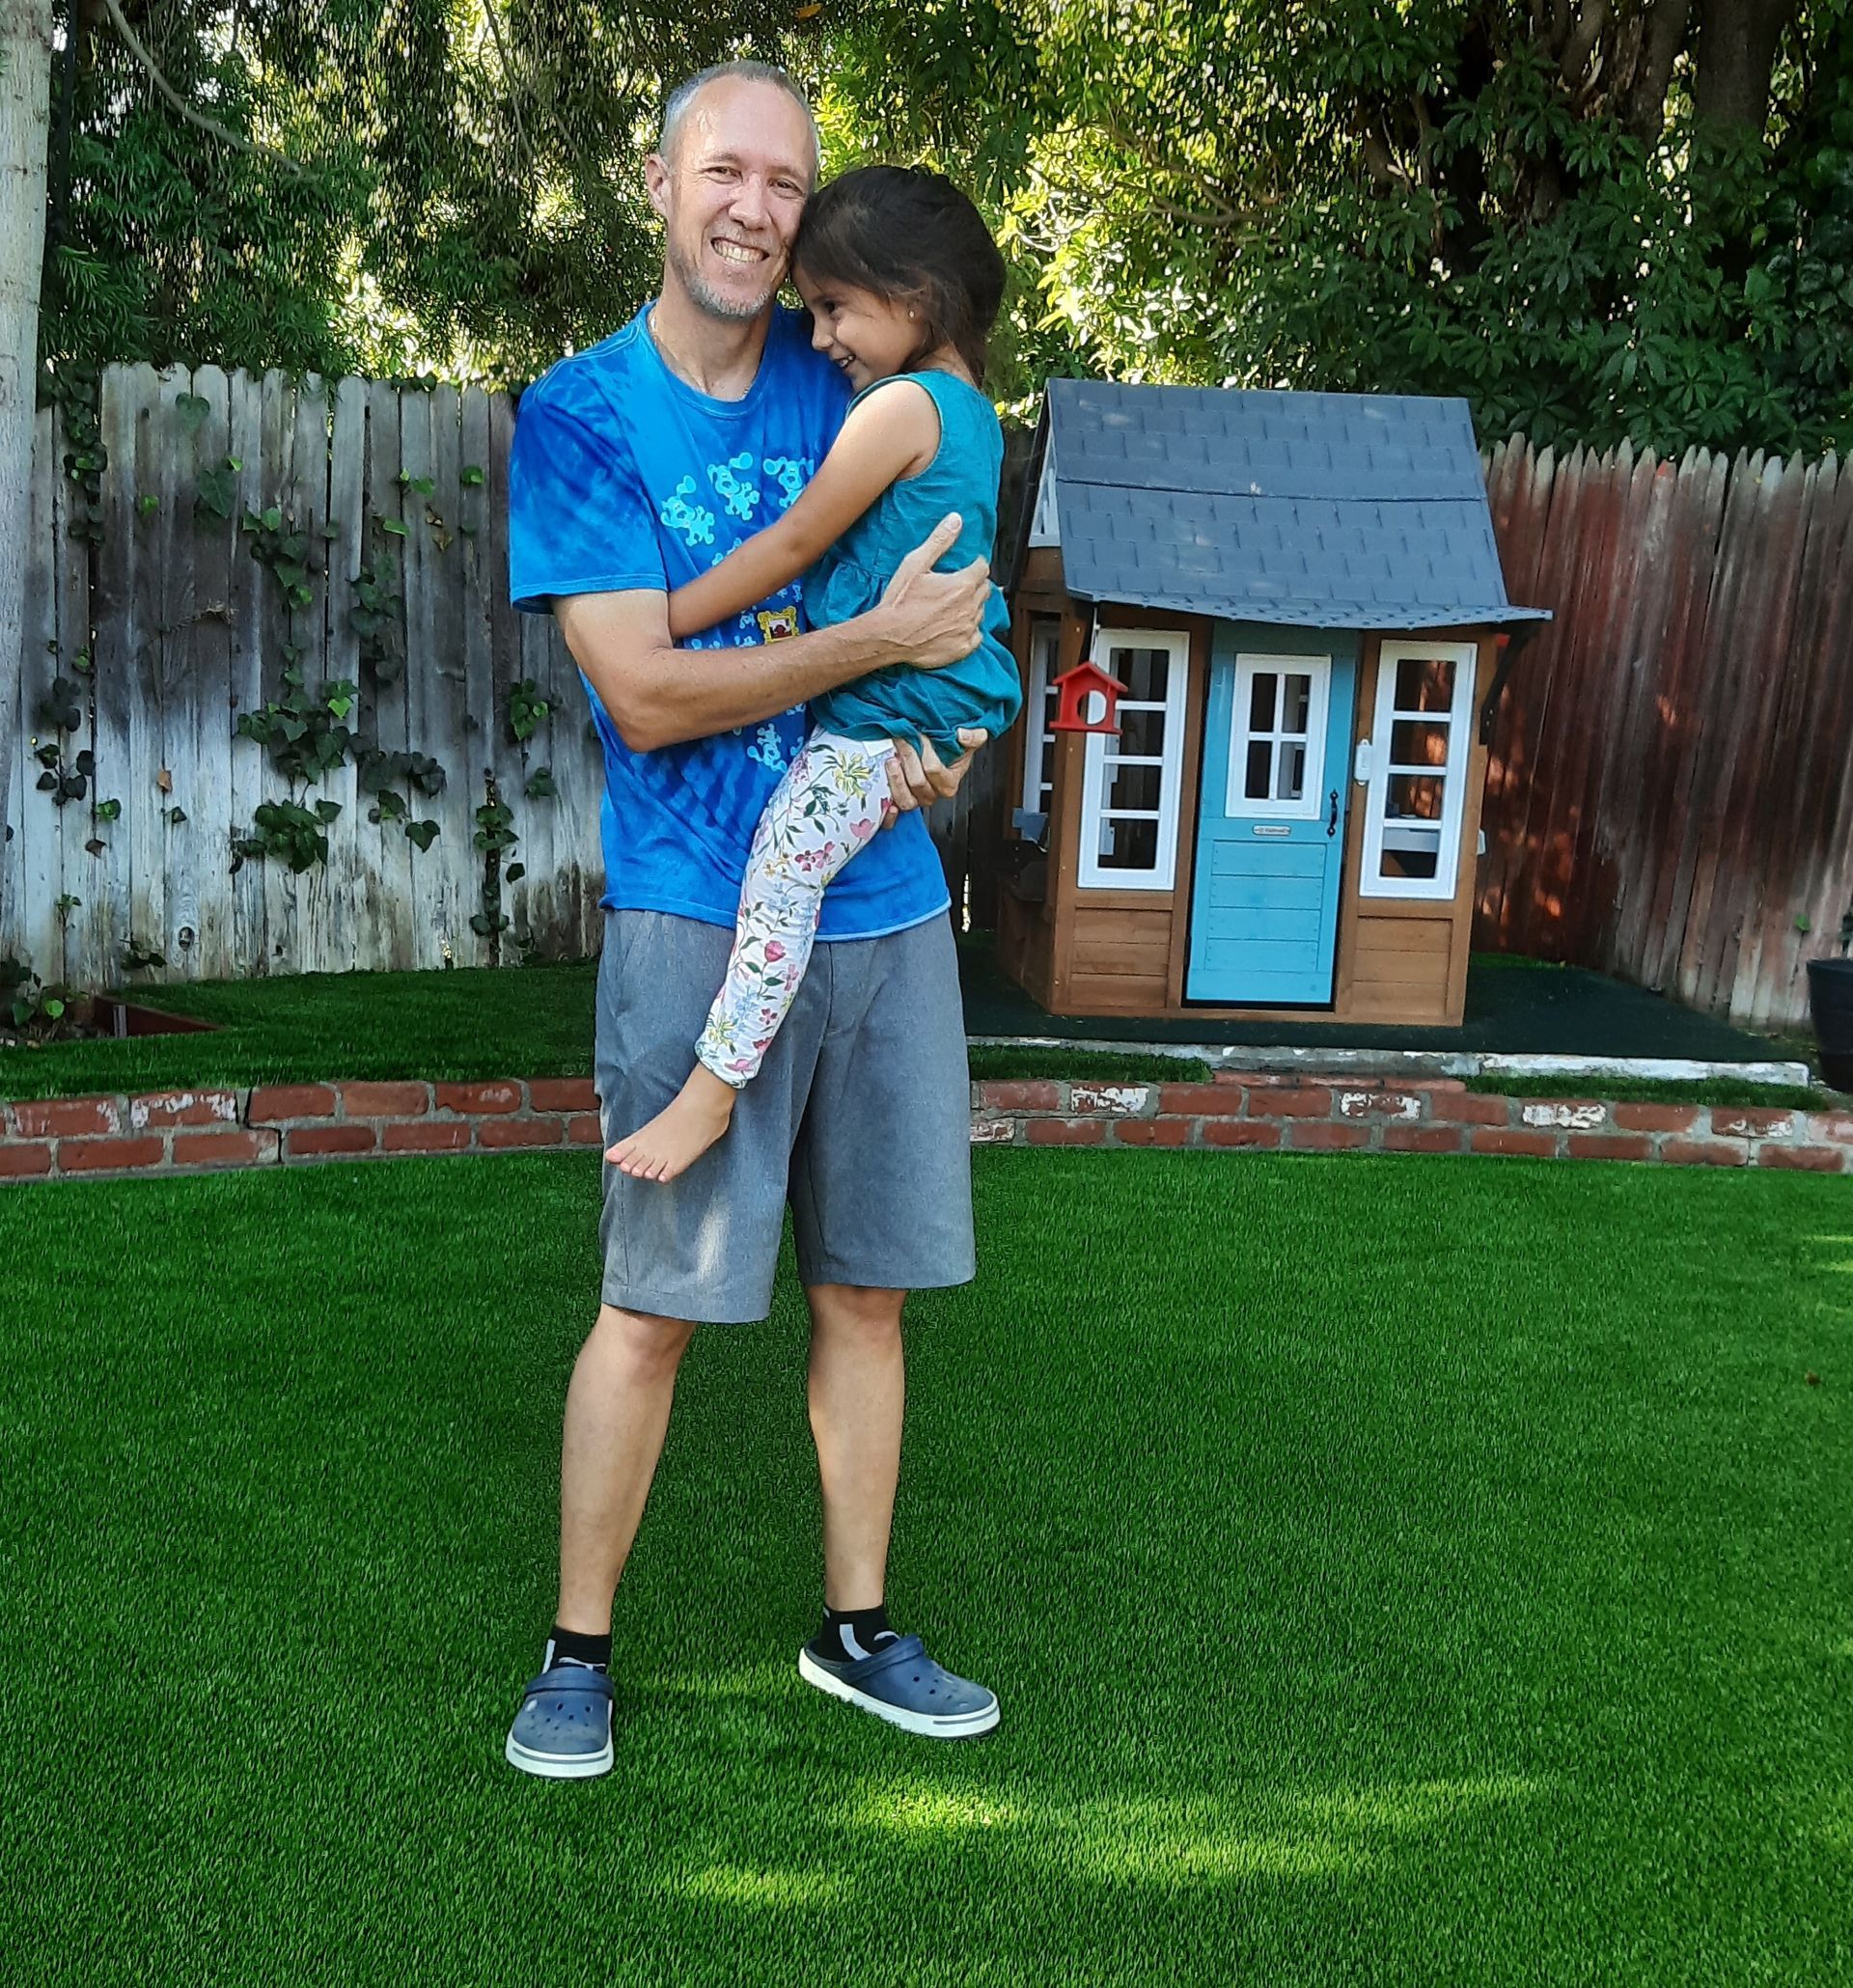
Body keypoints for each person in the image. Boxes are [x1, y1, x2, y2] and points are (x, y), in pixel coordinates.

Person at [502, 62, 1002, 1781]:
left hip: (881, 914)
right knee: (651, 1308)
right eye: (724, 170)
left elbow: (962, 576)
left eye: (785, 184)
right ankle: (577, 1651)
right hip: (690, 914)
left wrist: (953, 724)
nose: (754, 207)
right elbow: (642, 695)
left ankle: (856, 1627)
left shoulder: (859, 370)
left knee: (868, 1296)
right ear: (658, 183)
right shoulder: (581, 416)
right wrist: (879, 656)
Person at [606, 165, 1022, 1184]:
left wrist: (672, 613)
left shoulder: (897, 409)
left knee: (785, 867)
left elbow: (795, 541)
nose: (823, 336)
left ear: (917, 297)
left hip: (889, 709)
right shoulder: (976, 416)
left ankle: (712, 1089)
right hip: (926, 707)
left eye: (836, 307)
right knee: (799, 862)